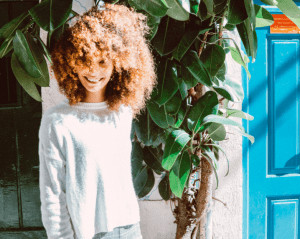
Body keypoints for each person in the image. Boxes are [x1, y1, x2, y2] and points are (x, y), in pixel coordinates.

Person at [38, 2, 157, 239]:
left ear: (118, 63)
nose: (93, 71)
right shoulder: (58, 122)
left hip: (130, 228)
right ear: (71, 62)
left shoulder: (122, 113)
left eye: (103, 61)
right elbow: (52, 194)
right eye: (85, 61)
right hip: (89, 233)